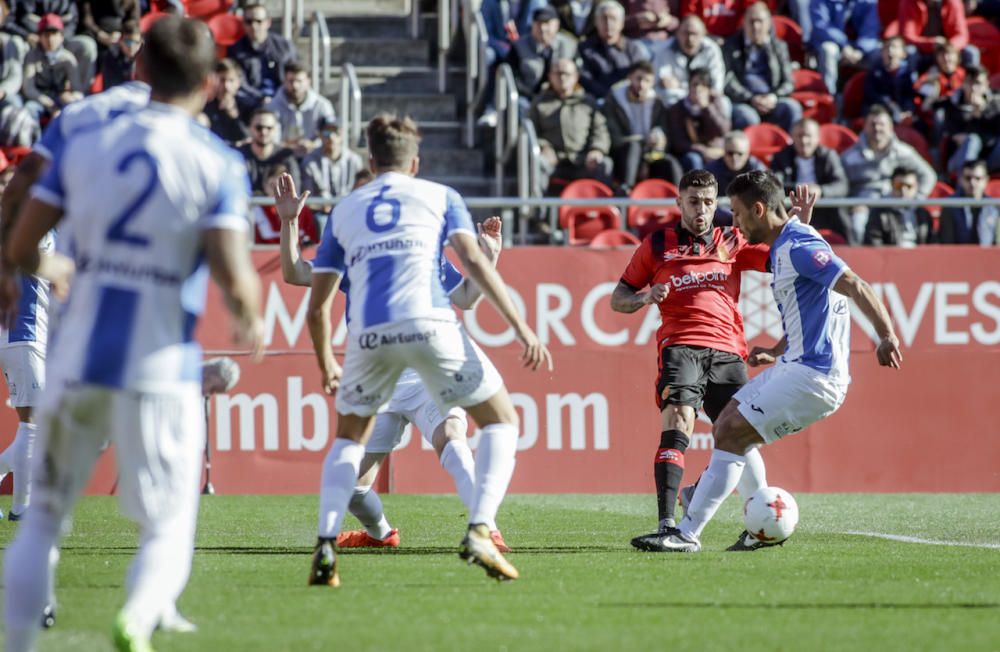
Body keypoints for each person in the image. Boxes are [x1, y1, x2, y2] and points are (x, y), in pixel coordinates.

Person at [2, 16, 264, 652]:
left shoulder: (86, 142)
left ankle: (16, 643)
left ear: (138, 69)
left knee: (42, 521)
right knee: (170, 523)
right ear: (209, 83)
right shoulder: (216, 161)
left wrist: (51, 266)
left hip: (76, 357)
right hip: (159, 367)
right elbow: (234, 277)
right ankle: (141, 615)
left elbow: (20, 241)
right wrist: (250, 313)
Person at [304, 113, 552, 587]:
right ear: (414, 162)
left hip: (369, 335)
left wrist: (326, 363)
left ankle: (326, 545)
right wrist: (522, 327)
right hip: (432, 325)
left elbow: (316, 309)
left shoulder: (344, 211)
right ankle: (481, 528)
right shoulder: (440, 196)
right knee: (501, 420)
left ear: (371, 161)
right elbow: (474, 262)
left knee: (346, 442)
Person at [649, 170, 902, 553]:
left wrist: (886, 335)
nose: (732, 223)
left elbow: (856, 285)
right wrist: (777, 350)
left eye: (736, 213)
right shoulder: (792, 242)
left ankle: (687, 532)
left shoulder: (796, 246)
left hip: (815, 376)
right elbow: (813, 307)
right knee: (729, 423)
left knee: (731, 431)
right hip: (795, 365)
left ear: (759, 209)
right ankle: (746, 522)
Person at [276, 173, 511, 551]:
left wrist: (490, 256)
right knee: (351, 483)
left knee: (452, 436)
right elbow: (294, 272)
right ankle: (382, 534)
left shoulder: (423, 250)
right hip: (381, 380)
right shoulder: (355, 252)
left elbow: (467, 297)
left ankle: (486, 527)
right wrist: (289, 222)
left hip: (425, 377)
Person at [611, 169, 815, 545]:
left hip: (728, 351)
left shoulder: (732, 239)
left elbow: (784, 256)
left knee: (741, 433)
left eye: (708, 202)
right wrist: (643, 297)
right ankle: (667, 526)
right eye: (693, 201)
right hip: (681, 345)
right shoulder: (657, 244)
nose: (701, 210)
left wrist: (799, 223)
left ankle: (758, 520)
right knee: (679, 421)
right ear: (679, 202)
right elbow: (617, 298)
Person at [0, 229, 53, 523]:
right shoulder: (36, 225)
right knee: (33, 426)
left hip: (23, 336)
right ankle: (22, 508)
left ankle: (21, 507)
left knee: (35, 426)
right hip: (23, 336)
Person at [840, 104, 937, 244]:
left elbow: (928, 175)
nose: (877, 129)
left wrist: (916, 199)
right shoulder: (850, 156)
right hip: (864, 207)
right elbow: (840, 185)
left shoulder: (904, 152)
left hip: (896, 204)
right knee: (858, 226)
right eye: (872, 124)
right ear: (865, 126)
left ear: (890, 126)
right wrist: (851, 204)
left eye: (881, 124)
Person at [723, 2, 802, 132]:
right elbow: (728, 80)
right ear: (743, 23)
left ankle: (787, 151)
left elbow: (789, 82)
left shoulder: (779, 47)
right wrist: (751, 98)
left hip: (772, 100)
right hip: (744, 101)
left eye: (759, 21)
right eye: (751, 21)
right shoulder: (730, 46)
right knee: (748, 117)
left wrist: (774, 97)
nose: (755, 26)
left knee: (792, 108)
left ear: (769, 23)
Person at [602, 60, 682, 189]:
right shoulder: (613, 101)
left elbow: (664, 131)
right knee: (633, 148)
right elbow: (614, 137)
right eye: (638, 79)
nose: (642, 85)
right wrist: (642, 142)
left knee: (670, 163)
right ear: (629, 78)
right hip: (621, 154)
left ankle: (680, 201)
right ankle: (626, 193)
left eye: (647, 81)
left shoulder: (657, 103)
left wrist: (660, 138)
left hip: (650, 154)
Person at [770, 118, 849, 239]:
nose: (804, 141)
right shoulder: (781, 157)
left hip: (823, 208)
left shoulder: (828, 155)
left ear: (817, 138)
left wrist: (821, 190)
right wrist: (799, 189)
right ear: (792, 137)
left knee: (841, 212)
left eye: (808, 136)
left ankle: (851, 246)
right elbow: (775, 185)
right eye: (799, 136)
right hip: (792, 207)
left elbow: (841, 185)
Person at [577, 0, 652, 100]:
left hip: (629, 99)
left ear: (621, 23)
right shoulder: (585, 48)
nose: (608, 23)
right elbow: (585, 79)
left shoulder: (633, 48)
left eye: (613, 19)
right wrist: (609, 96)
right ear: (596, 21)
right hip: (597, 101)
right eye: (604, 18)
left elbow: (641, 75)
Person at [226, 3, 297, 107]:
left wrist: (279, 98)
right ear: (243, 24)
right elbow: (239, 84)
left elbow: (294, 74)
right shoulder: (236, 50)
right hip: (249, 105)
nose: (254, 26)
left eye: (259, 21)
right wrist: (261, 99)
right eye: (249, 22)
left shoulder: (284, 46)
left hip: (284, 101)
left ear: (268, 22)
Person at [265, 61, 336, 159]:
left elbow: (330, 132)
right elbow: (271, 139)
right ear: (284, 81)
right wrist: (290, 147)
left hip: (314, 157)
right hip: (283, 157)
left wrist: (314, 144)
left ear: (308, 81)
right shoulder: (272, 107)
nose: (295, 86)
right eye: (291, 81)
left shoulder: (322, 105)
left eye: (299, 81)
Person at [810, 0, 882, 94]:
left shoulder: (869, 2)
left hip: (859, 50)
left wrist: (860, 50)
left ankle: (874, 99)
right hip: (835, 44)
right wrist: (844, 45)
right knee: (828, 50)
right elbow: (820, 26)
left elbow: (870, 30)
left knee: (880, 54)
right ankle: (829, 97)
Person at [665, 67, 731, 171]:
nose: (697, 89)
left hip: (716, 149)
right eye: (695, 85)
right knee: (694, 160)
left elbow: (723, 130)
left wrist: (706, 108)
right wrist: (703, 151)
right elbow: (678, 143)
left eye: (703, 85)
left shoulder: (716, 102)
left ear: (709, 89)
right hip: (692, 153)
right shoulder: (677, 108)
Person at [863, 166, 935, 246]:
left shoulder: (923, 213)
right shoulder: (879, 213)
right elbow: (874, 244)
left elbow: (931, 242)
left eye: (909, 186)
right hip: (890, 257)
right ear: (892, 186)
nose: (903, 191)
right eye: (899, 186)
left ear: (916, 187)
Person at [238, 107, 300, 195]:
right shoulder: (238, 156)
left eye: (269, 128)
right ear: (250, 128)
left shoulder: (285, 156)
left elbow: (294, 193)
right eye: (259, 127)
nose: (264, 132)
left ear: (275, 130)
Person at [938, 159, 999, 244]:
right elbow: (947, 244)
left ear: (986, 180)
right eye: (968, 178)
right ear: (960, 179)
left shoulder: (995, 207)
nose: (972, 183)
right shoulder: (950, 206)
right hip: (959, 256)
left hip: (988, 256)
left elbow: (997, 243)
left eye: (978, 178)